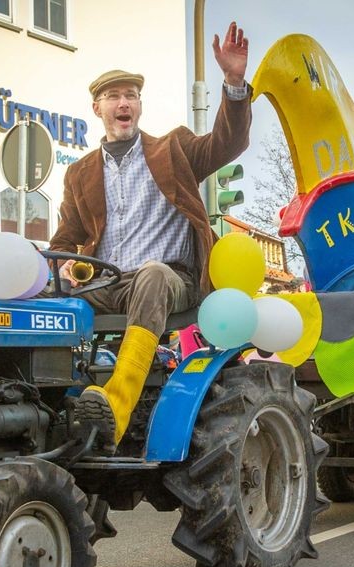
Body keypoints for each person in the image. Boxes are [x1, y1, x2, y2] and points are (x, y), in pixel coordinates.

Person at [49, 21, 251, 451]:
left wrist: (233, 83)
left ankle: (116, 408)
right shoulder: (80, 171)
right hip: (105, 282)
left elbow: (225, 143)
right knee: (48, 297)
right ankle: (45, 409)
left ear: (139, 106)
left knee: (152, 274)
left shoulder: (171, 149)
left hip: (169, 279)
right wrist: (59, 265)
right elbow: (66, 237)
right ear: (97, 108)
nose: (124, 103)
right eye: (114, 96)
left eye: (131, 96)